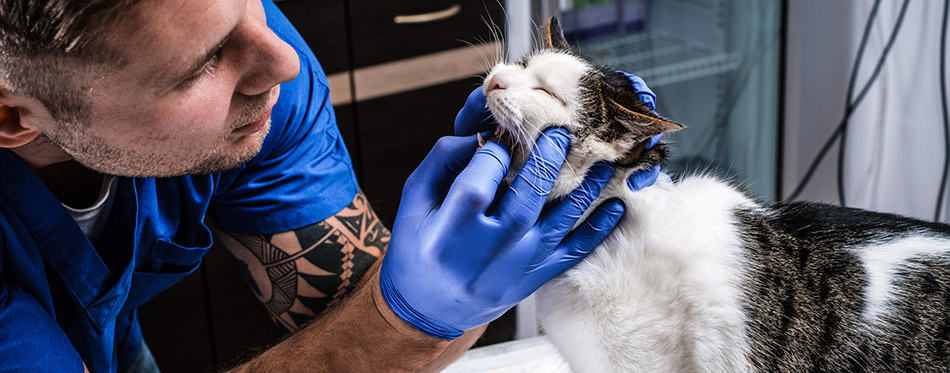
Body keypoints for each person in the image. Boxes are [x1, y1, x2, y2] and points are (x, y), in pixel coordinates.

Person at [0, 0, 664, 371]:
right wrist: (402, 315)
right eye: (202, 63)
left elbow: (383, 343)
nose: (281, 60)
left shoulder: (259, 69)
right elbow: (388, 332)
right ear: (10, 115)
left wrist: (459, 267)